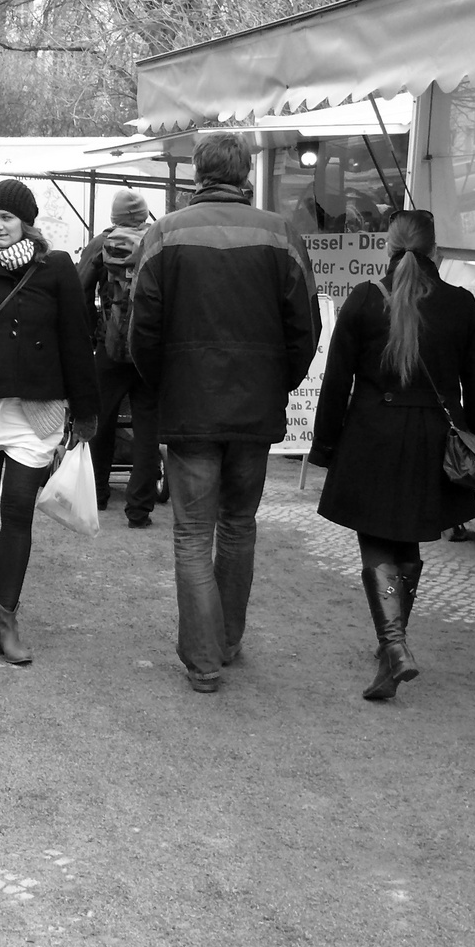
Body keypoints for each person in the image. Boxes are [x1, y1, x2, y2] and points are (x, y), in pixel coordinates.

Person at [128, 132, 321, 693]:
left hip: (189, 405)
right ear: (245, 176)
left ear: (196, 175)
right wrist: (279, 384)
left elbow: (143, 328)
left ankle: (204, 659)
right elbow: (304, 325)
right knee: (238, 524)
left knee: (192, 532)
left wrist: (165, 386)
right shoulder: (280, 233)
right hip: (255, 406)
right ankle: (227, 640)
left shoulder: (165, 235)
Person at [308, 210, 475, 700]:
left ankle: (394, 647)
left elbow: (336, 382)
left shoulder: (366, 300)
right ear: (435, 251)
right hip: (432, 442)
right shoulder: (461, 304)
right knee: (407, 543)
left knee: (376, 537)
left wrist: (325, 446)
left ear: (387, 248)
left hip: (372, 436)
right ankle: (392, 644)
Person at [0, 179, 100, 664]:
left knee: (17, 511)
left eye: (6, 218)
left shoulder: (55, 268)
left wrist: (87, 409)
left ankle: (5, 618)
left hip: (38, 409)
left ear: (26, 222)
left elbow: (76, 337)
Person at [77, 189, 161, 527]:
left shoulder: (101, 244)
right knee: (147, 427)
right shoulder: (158, 242)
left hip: (108, 347)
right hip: (149, 350)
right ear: (143, 215)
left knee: (102, 421)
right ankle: (140, 508)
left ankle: (97, 494)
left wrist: (90, 333)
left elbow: (79, 289)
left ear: (114, 216)